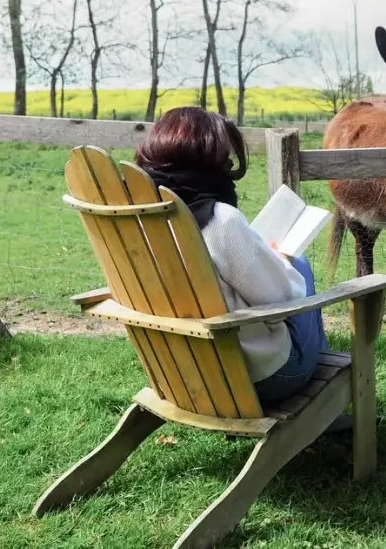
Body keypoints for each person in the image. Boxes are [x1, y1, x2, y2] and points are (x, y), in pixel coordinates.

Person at [135, 106, 333, 407]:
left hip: (176, 371)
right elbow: (282, 299)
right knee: (300, 264)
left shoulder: (134, 216)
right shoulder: (220, 220)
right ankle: (326, 398)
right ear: (211, 155)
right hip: (253, 378)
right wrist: (283, 261)